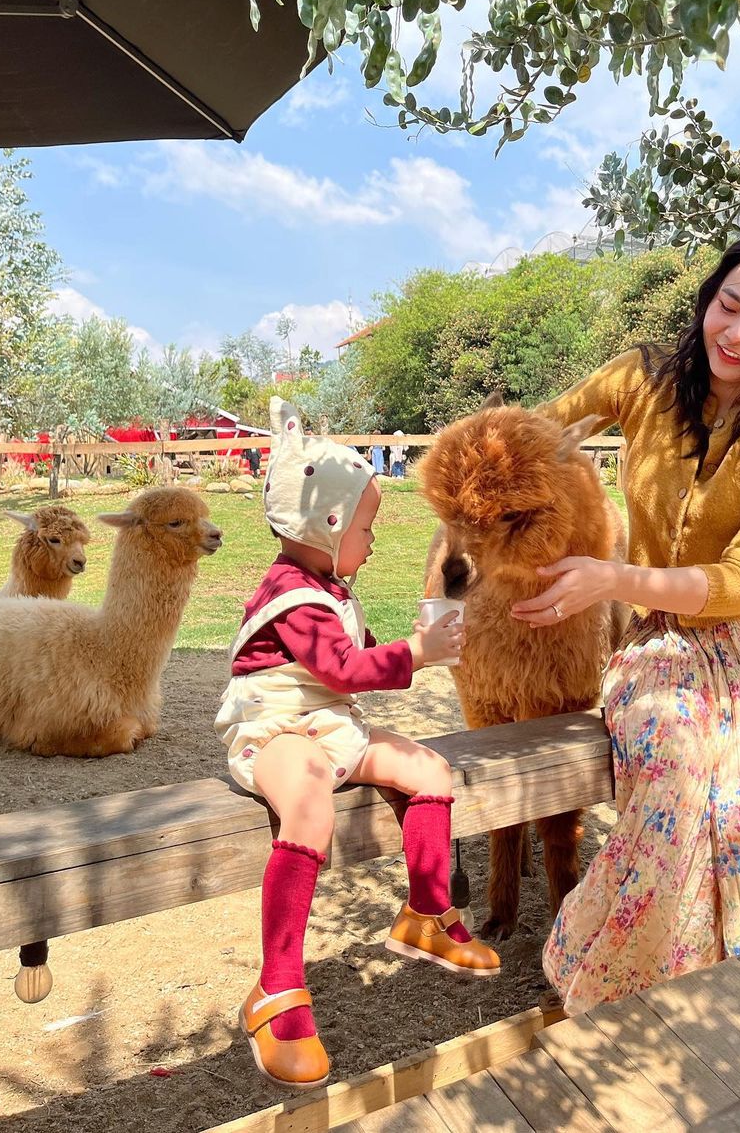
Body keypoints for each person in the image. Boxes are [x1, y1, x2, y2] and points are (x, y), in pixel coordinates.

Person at [511, 222, 740, 1014]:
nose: (737, 335)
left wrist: (613, 578)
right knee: (671, 783)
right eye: (728, 305)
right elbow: (533, 436)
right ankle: (639, 1002)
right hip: (666, 644)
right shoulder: (641, 379)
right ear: (709, 295)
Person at [216, 399, 500, 1089]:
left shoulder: (329, 587)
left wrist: (415, 643)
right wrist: (418, 654)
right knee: (309, 800)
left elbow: (358, 659)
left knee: (429, 770)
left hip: (331, 724)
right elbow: (342, 670)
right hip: (279, 727)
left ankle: (427, 913)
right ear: (330, 524)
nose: (372, 541)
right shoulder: (293, 594)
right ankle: (277, 986)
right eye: (367, 527)